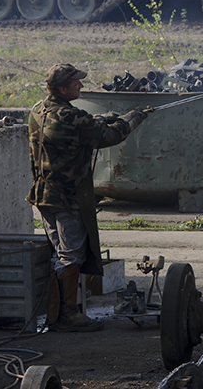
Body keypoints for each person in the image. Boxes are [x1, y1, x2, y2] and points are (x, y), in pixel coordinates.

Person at [27, 63, 147, 332]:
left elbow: (81, 128)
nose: (80, 85)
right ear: (62, 88)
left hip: (44, 195)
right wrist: (134, 117)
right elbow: (112, 135)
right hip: (67, 198)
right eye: (75, 83)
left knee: (60, 254)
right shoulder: (73, 118)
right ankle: (69, 316)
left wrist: (101, 118)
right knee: (71, 256)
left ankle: (55, 316)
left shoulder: (38, 109)